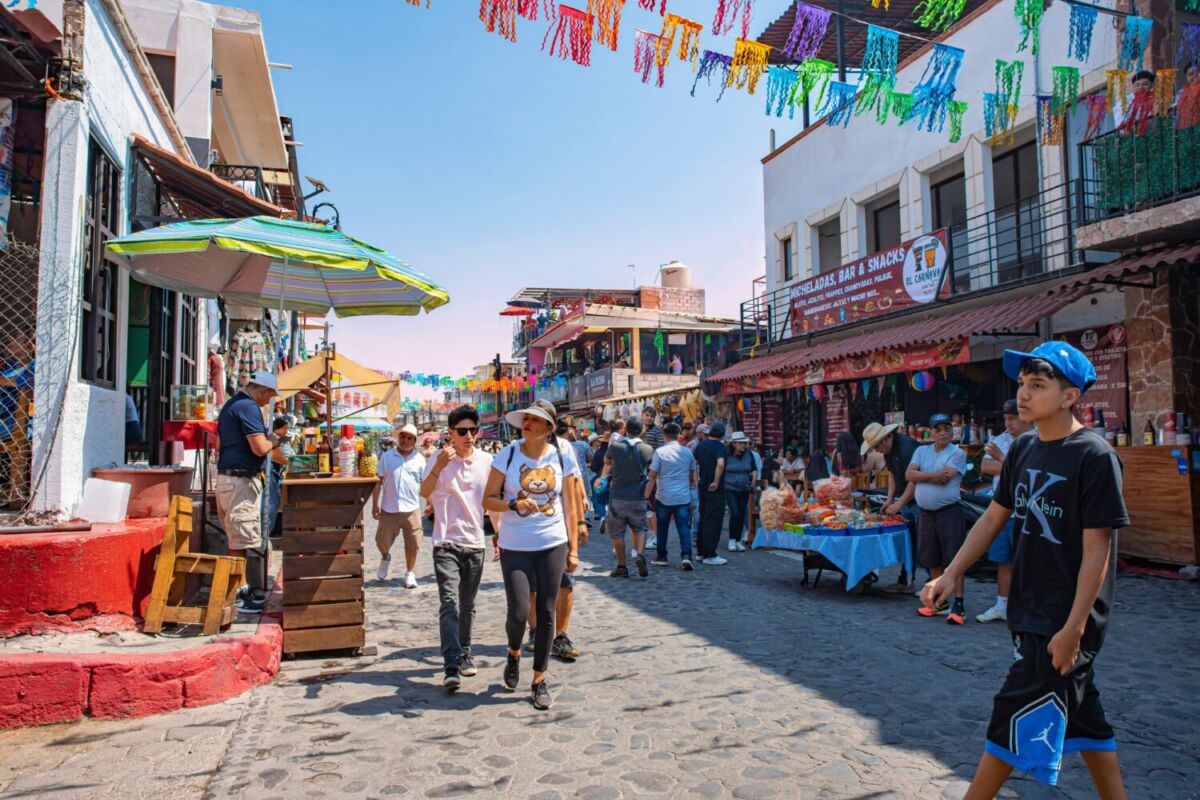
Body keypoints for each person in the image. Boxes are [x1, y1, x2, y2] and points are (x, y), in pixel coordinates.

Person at [922, 342, 1127, 797]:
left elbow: (1098, 551)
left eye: (1038, 385)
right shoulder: (1023, 449)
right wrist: (951, 573)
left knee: (1008, 721)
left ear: (1069, 396)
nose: (1023, 395)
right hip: (1027, 606)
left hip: (1064, 616)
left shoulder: (1094, 457)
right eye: (1021, 384)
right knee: (1086, 722)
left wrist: (1075, 628)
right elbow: (993, 519)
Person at [483, 402, 581, 711]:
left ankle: (539, 679)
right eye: (525, 418)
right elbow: (488, 499)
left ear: (549, 428)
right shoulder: (508, 454)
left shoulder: (562, 455)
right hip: (515, 545)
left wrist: (574, 548)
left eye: (534, 419)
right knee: (518, 612)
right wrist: (513, 505)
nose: (526, 422)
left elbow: (570, 505)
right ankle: (513, 653)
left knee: (547, 611)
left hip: (553, 542)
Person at [420, 405, 492, 690]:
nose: (469, 436)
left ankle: (465, 652)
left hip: (475, 543)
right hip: (445, 543)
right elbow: (424, 492)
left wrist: (498, 536)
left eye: (473, 430)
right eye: (462, 431)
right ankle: (451, 665)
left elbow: (492, 500)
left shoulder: (486, 461)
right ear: (450, 433)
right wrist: (439, 466)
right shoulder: (438, 460)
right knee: (450, 603)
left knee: (468, 604)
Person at [215, 371, 279, 614]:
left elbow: (219, 444)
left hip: (229, 479)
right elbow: (260, 447)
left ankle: (239, 590)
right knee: (239, 541)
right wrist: (274, 439)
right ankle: (237, 595)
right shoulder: (248, 407)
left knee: (236, 539)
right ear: (263, 390)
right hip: (239, 481)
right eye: (269, 396)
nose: (267, 401)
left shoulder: (231, 405)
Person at [976, 399, 1034, 624]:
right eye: (1006, 419)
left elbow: (1030, 471)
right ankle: (1002, 605)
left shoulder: (1037, 438)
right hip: (1003, 509)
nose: (1008, 424)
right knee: (1003, 559)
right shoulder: (1000, 440)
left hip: (1028, 511)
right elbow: (985, 466)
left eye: (1013, 418)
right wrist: (1010, 466)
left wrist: (1003, 460)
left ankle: (1028, 605)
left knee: (1028, 560)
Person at [907, 413, 968, 623]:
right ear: (930, 433)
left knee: (955, 559)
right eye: (938, 429)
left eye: (946, 429)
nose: (943, 433)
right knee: (931, 558)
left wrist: (921, 475)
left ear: (952, 431)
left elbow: (946, 477)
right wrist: (932, 475)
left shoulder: (957, 453)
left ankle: (959, 604)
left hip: (948, 512)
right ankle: (939, 601)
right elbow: (909, 475)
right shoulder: (921, 451)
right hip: (926, 513)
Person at [863, 421, 921, 590]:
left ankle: (929, 582)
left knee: (921, 542)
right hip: (906, 500)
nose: (876, 451)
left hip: (919, 500)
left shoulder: (906, 448)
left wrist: (898, 504)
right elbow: (893, 475)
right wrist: (889, 500)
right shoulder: (888, 451)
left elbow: (914, 481)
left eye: (876, 446)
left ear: (885, 439)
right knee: (908, 541)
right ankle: (906, 581)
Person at [372, 423, 427, 588]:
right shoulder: (387, 457)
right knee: (382, 541)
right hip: (389, 508)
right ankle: (385, 557)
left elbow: (426, 484)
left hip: (412, 509)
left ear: (414, 441)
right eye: (403, 436)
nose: (405, 440)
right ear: (398, 438)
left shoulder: (419, 459)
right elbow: (378, 481)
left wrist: (430, 503)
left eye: (410, 438)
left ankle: (410, 573)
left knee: (413, 543)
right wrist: (374, 504)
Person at [598, 417, 653, 578]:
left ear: (626, 430)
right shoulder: (648, 449)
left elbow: (606, 461)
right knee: (640, 528)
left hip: (617, 496)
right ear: (642, 431)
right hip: (638, 495)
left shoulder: (615, 446)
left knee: (617, 533)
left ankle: (622, 566)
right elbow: (650, 468)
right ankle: (640, 554)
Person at [645, 422, 697, 569]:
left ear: (664, 436)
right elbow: (692, 475)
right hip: (683, 497)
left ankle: (662, 556)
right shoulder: (687, 452)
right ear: (678, 434)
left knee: (662, 528)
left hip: (664, 496)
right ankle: (686, 556)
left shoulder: (660, 452)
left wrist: (646, 496)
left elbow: (652, 476)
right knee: (683, 527)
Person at [693, 422, 728, 565]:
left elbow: (694, 463)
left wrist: (696, 479)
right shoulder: (720, 447)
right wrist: (716, 481)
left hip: (702, 486)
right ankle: (710, 554)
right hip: (715, 489)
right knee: (713, 520)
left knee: (703, 518)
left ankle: (700, 552)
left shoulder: (700, 446)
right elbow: (720, 464)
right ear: (722, 434)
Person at [723, 432, 757, 552]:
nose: (744, 445)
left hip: (744, 487)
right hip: (730, 487)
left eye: (745, 443)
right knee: (735, 513)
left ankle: (738, 540)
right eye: (741, 443)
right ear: (734, 444)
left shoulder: (749, 454)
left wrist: (754, 478)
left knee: (742, 514)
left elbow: (754, 468)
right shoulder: (727, 455)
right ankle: (732, 539)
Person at [261, 417, 291, 541]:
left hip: (271, 472)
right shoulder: (273, 438)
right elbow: (275, 456)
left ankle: (266, 531)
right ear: (276, 428)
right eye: (284, 428)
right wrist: (290, 463)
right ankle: (265, 532)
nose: (286, 431)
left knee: (271, 501)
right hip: (269, 472)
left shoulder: (275, 438)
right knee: (272, 501)